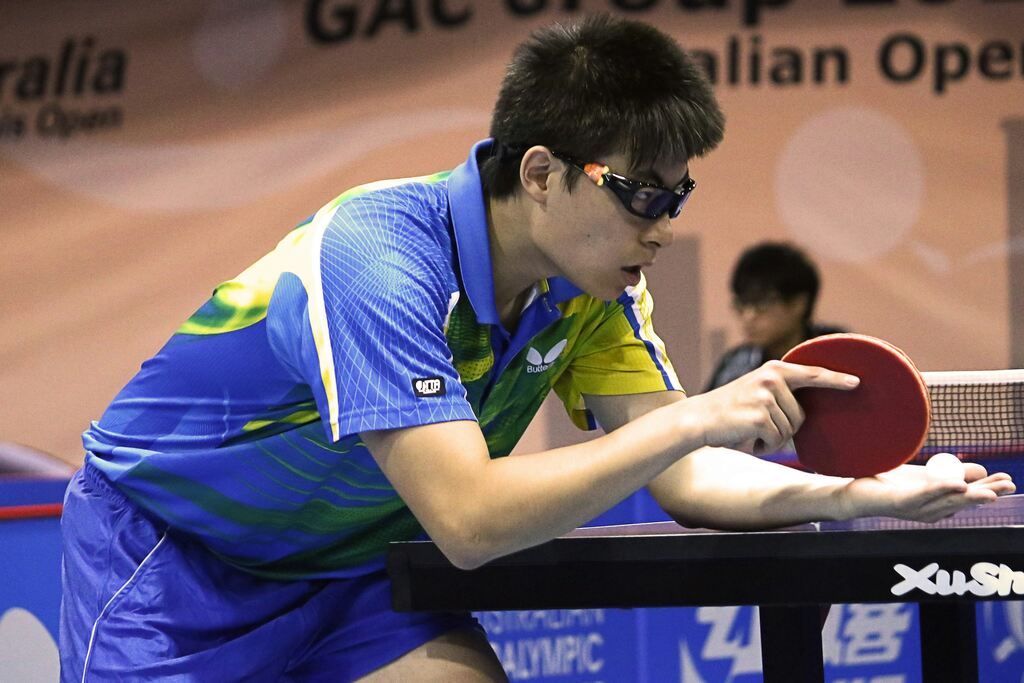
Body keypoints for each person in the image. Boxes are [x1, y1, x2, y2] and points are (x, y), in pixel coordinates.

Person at [59, 14, 1014, 683]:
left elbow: (688, 481)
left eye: (676, 198)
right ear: (542, 172)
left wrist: (854, 500)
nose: (661, 226)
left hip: (342, 574)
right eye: (642, 193)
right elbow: (469, 519)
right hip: (178, 560)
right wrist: (691, 421)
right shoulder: (377, 257)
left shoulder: (590, 292)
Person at [706, 241, 846, 391]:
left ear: (798, 303)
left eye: (761, 304)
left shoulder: (839, 354)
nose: (748, 316)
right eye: (742, 304)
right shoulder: (735, 364)